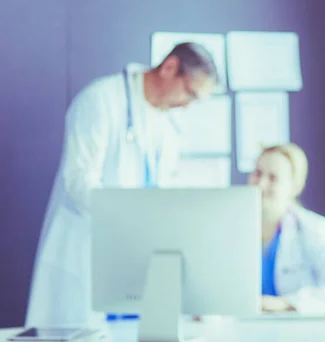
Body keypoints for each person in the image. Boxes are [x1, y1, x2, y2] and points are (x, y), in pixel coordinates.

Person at [26, 42, 218, 328]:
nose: (187, 105)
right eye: (189, 93)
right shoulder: (101, 100)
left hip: (136, 259)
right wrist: (129, 218)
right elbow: (78, 180)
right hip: (88, 250)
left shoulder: (167, 124)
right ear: (169, 68)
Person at [248, 143, 325, 319]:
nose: (261, 184)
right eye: (257, 174)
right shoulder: (235, 229)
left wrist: (284, 304)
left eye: (273, 178)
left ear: (295, 186)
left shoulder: (313, 229)